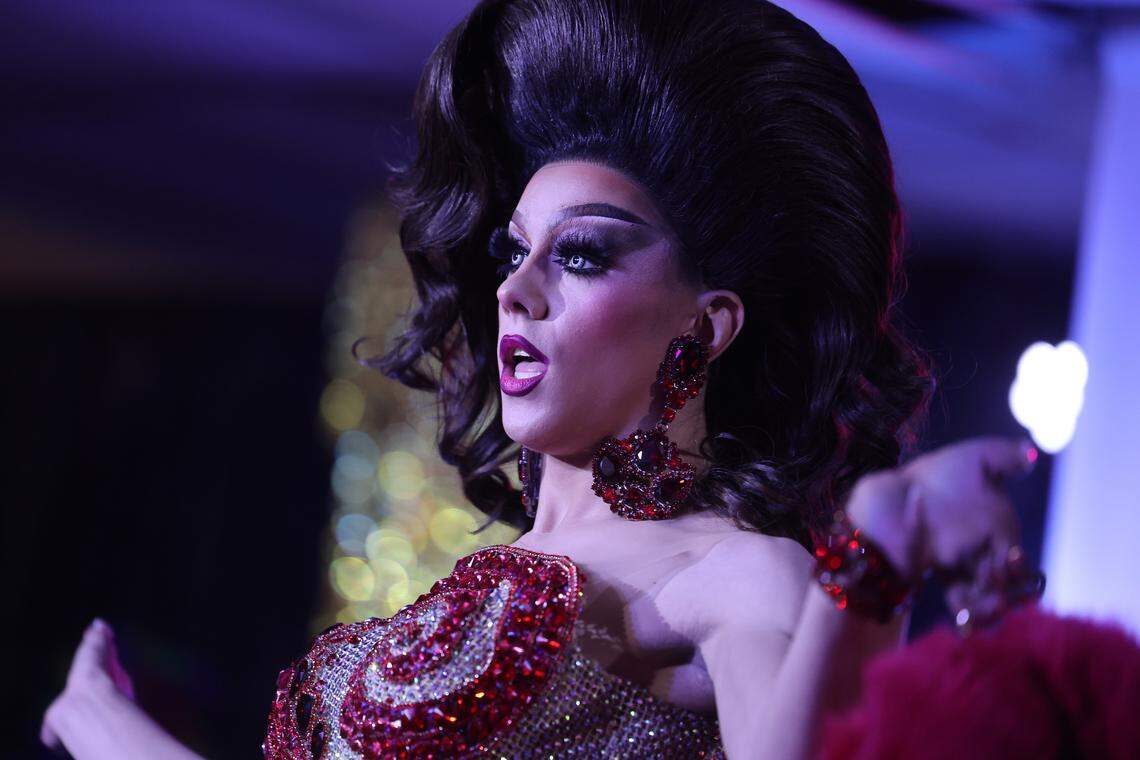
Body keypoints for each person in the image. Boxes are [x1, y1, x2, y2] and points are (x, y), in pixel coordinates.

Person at [40, 0, 1046, 758]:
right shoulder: (484, 573)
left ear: (707, 323)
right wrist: (102, 725)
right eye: (512, 250)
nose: (515, 289)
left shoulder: (725, 570)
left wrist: (872, 553)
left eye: (582, 256)